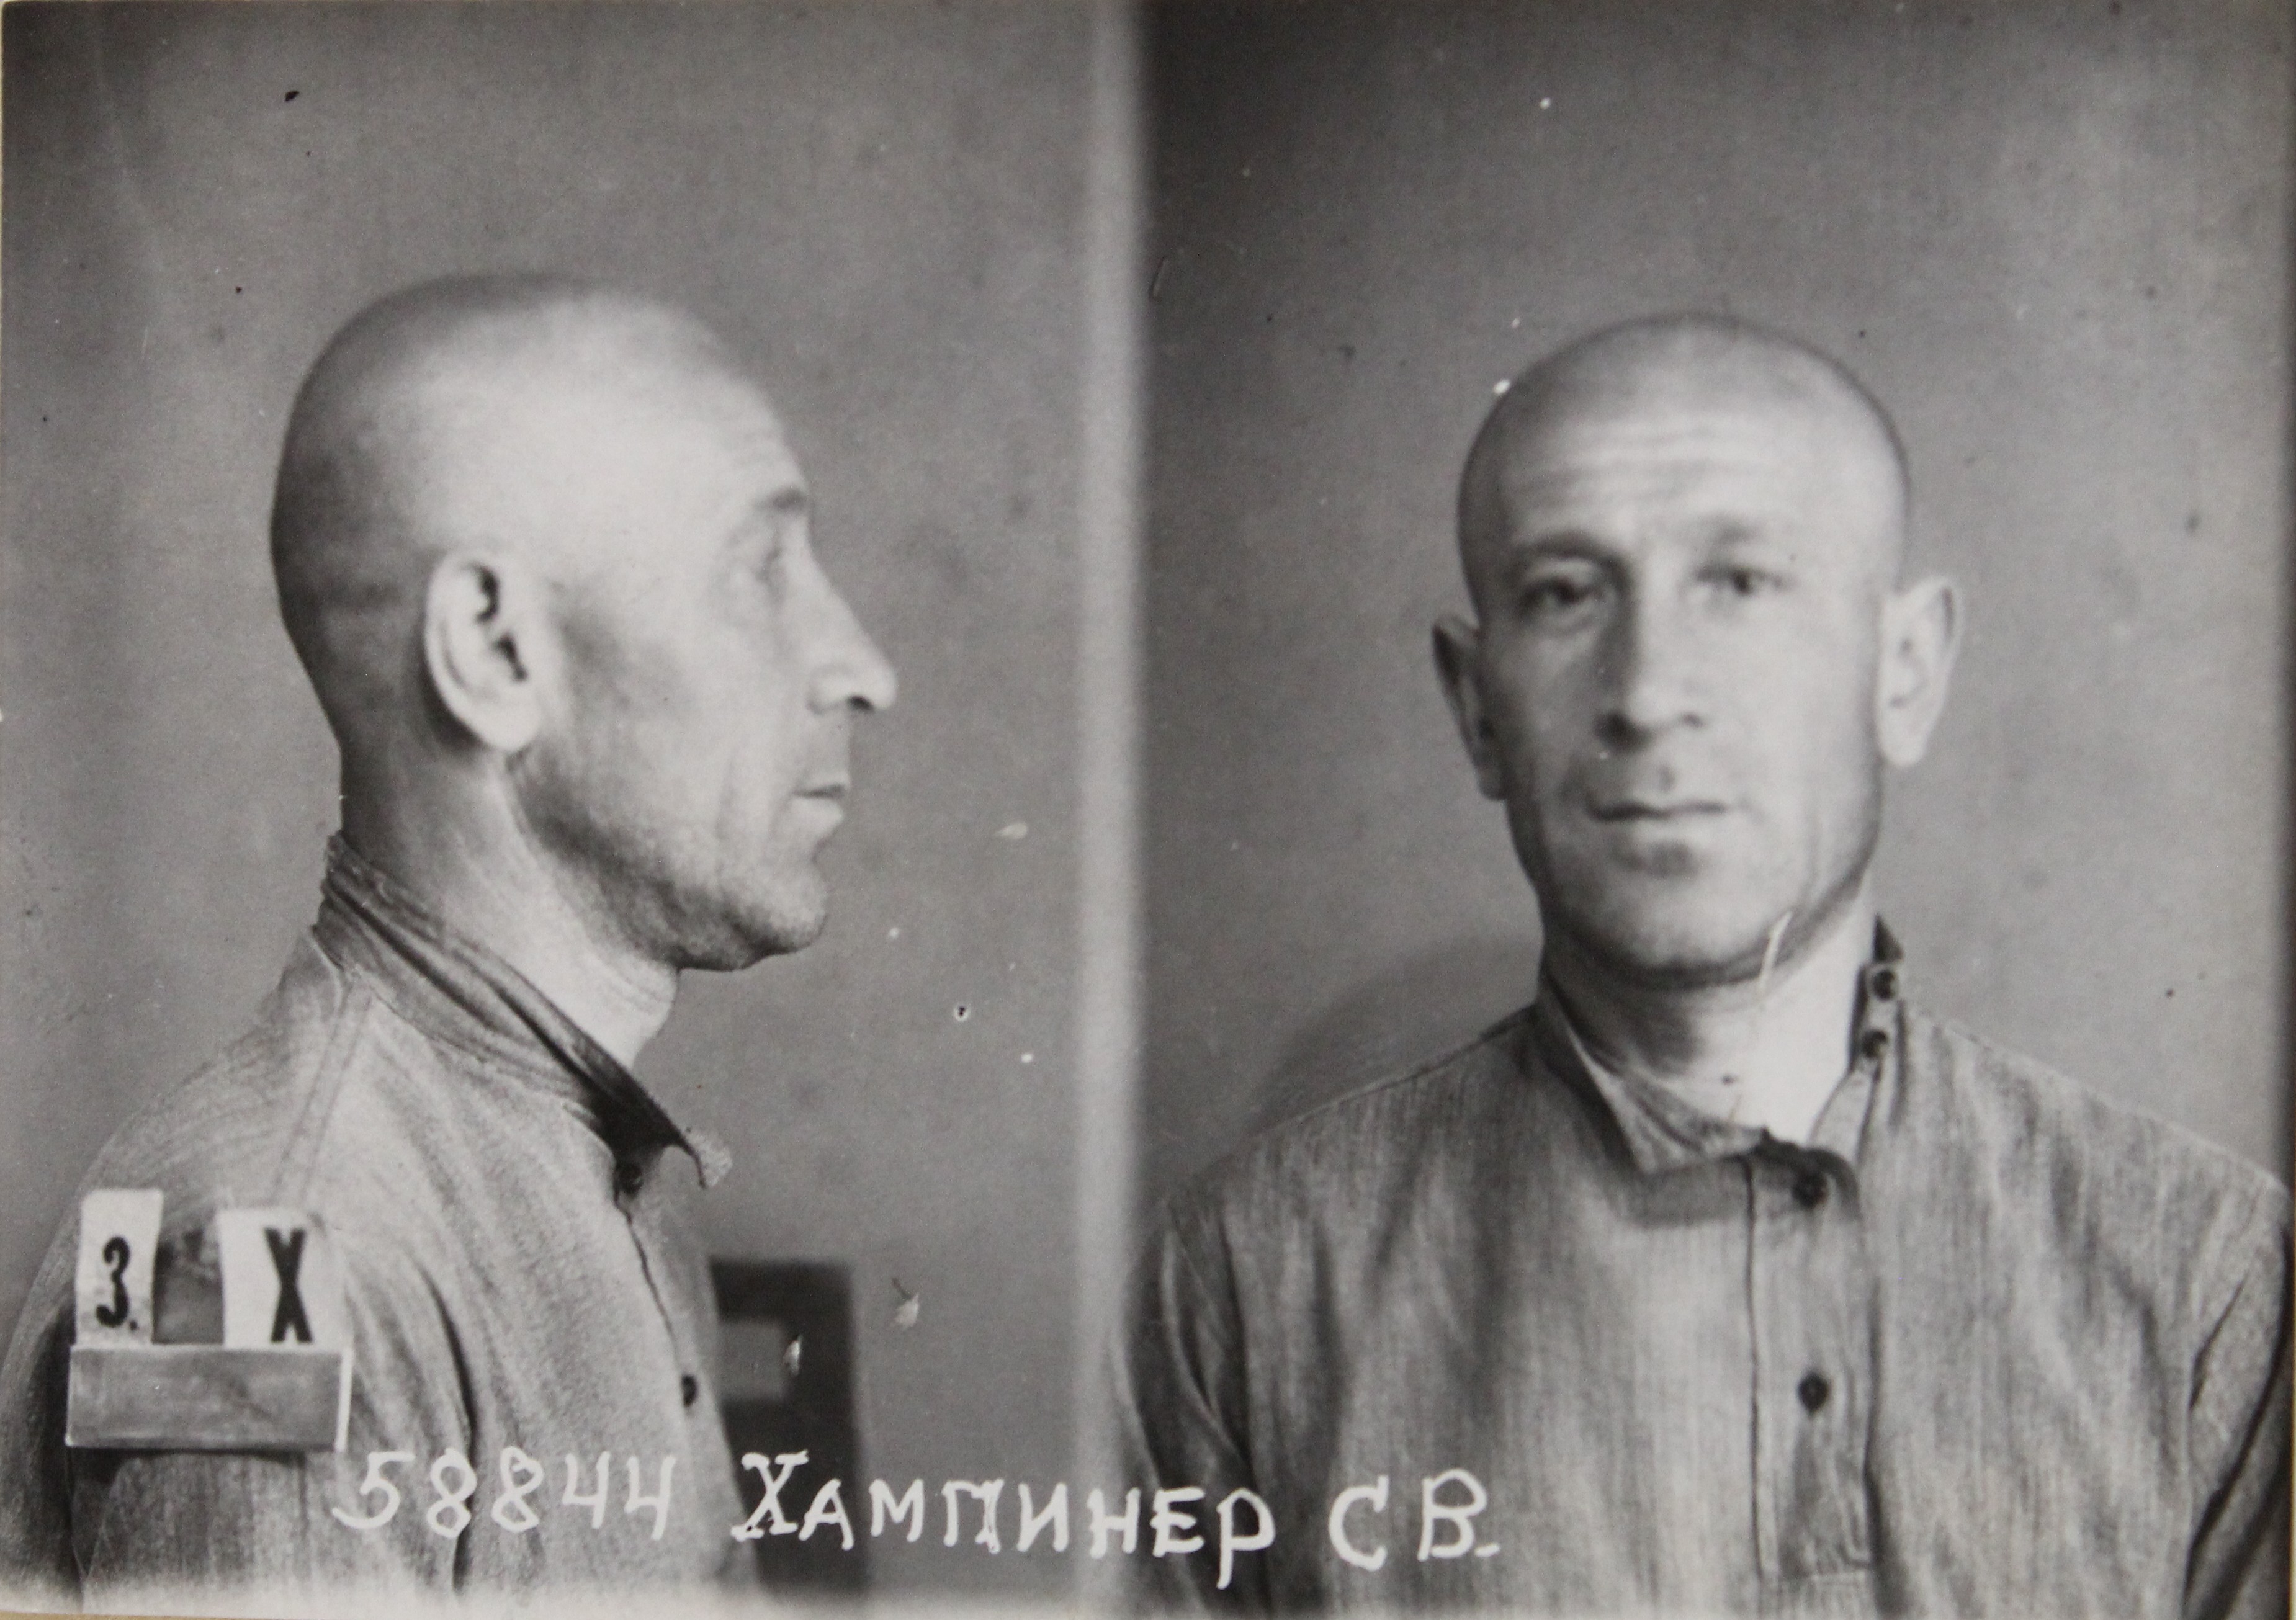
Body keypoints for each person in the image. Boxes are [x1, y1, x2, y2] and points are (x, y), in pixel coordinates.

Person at [1117, 314, 2290, 1616]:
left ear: (1903, 674)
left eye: (1739, 583)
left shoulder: (2206, 1273)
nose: (1646, 689)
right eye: (1565, 593)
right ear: (1477, 706)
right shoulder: (1246, 1278)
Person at [0, 275, 897, 1604]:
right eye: (759, 573)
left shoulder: (593, 1157)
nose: (863, 666)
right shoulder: (258, 1249)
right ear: (493, 650)